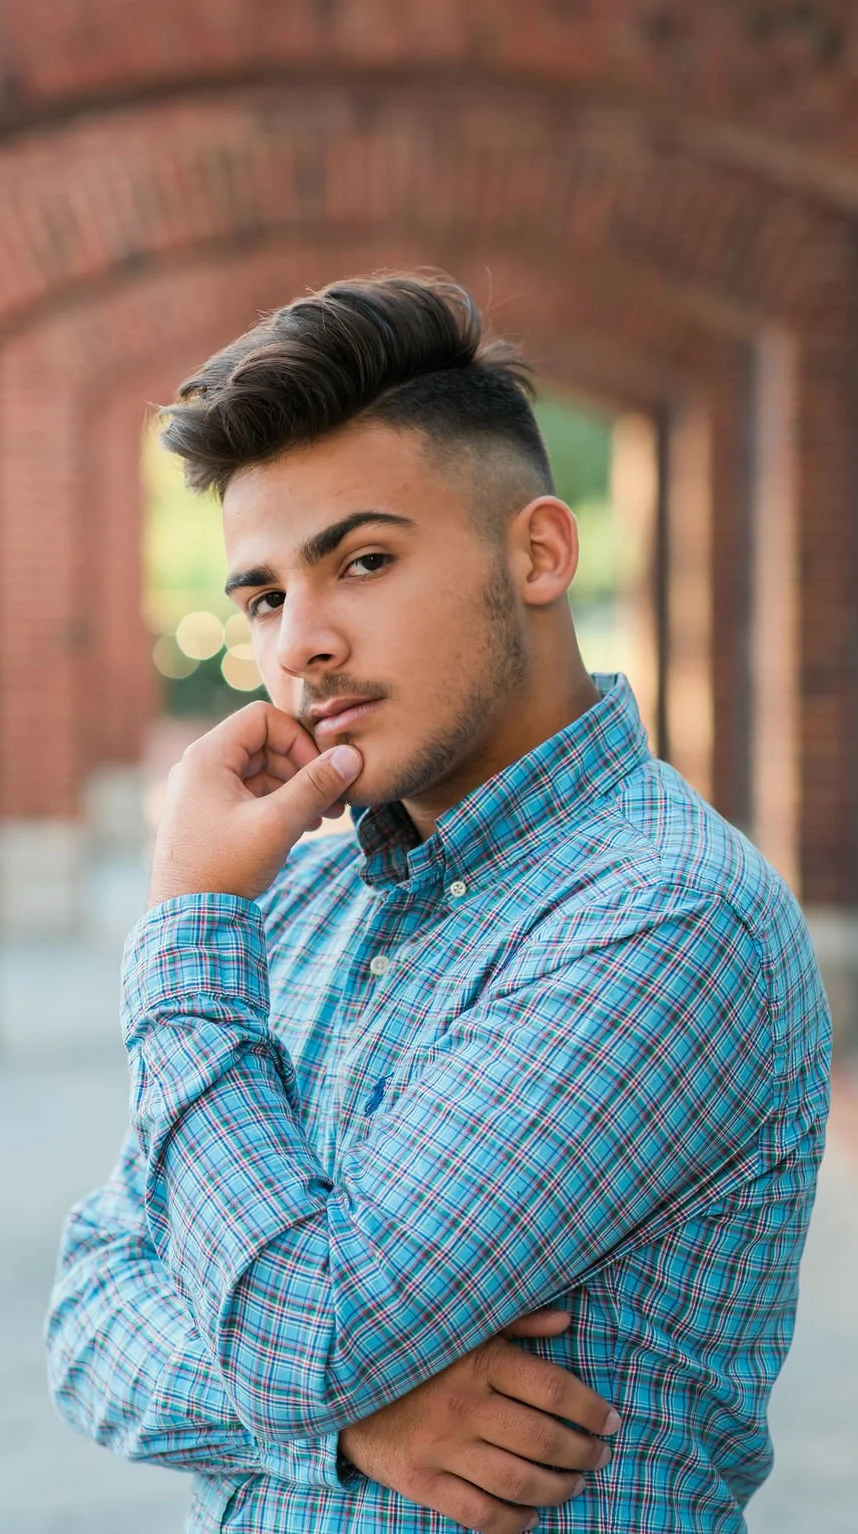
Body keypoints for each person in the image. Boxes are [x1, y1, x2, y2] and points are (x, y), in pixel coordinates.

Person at [45, 273, 832, 1533]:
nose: (300, 641)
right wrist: (358, 1424)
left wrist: (189, 921)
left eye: (361, 560)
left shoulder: (665, 915)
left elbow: (305, 1336)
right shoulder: (301, 893)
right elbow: (86, 1310)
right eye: (262, 597)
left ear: (538, 553)